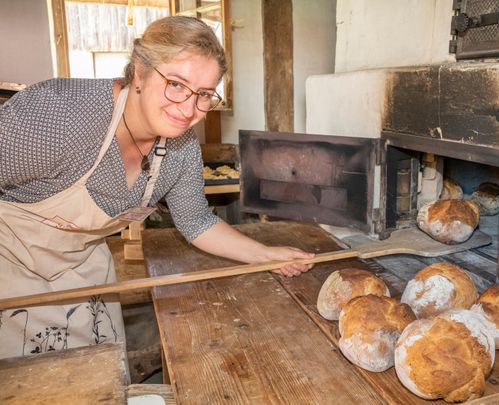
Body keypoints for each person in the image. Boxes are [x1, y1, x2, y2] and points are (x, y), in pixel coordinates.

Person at [0, 16, 313, 360]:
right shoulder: (59, 115)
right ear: (140, 71)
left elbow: (197, 222)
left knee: (100, 372)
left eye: (204, 94)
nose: (189, 108)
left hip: (82, 265)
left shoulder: (180, 150)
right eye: (176, 84)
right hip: (10, 267)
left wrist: (265, 255)